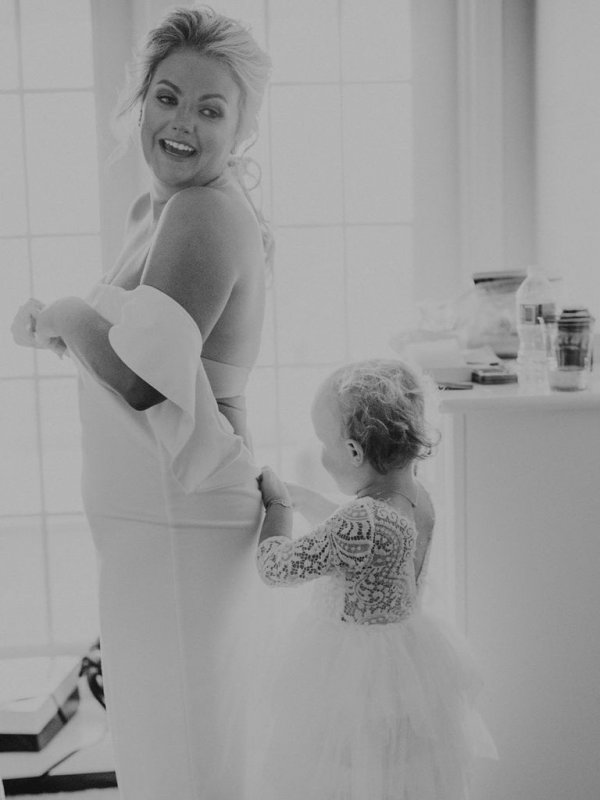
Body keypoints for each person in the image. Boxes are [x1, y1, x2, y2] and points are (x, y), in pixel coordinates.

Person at [11, 6, 271, 799]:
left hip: (180, 518)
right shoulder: (153, 210)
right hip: (148, 521)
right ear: (139, 101)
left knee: (187, 763)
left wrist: (60, 313)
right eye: (167, 97)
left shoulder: (204, 210)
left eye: (211, 108)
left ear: (243, 128)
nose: (183, 124)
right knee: (164, 754)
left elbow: (139, 378)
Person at [254, 359, 497, 800]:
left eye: (322, 442)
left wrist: (278, 506)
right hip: (406, 663)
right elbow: (361, 541)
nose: (320, 454)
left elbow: (278, 568)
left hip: (353, 673)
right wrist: (310, 500)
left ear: (351, 452)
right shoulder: (413, 495)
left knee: (349, 776)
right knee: (395, 776)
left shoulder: (362, 521)